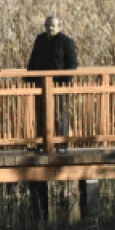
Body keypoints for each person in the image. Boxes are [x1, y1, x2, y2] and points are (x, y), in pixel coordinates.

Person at [24, 15, 78, 147]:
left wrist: (65, 81)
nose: (50, 28)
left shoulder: (66, 41)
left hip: (58, 84)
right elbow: (34, 59)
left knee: (59, 114)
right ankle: (42, 143)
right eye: (47, 25)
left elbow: (72, 63)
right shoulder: (40, 39)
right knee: (41, 112)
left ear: (59, 27)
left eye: (53, 25)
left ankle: (62, 144)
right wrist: (30, 77)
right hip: (41, 83)